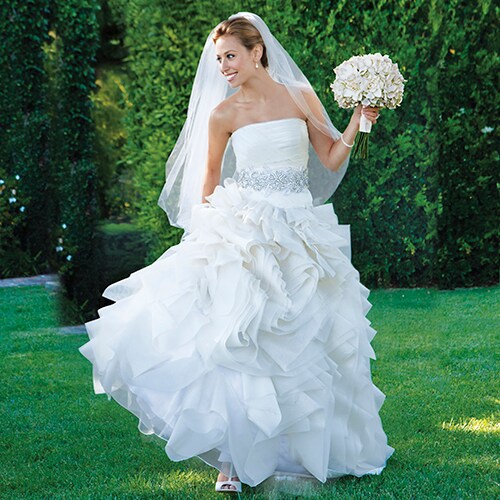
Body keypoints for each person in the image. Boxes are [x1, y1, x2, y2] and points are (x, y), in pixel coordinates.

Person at [79, 12, 394, 494]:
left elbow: (331, 158)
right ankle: (230, 459)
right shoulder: (223, 115)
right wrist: (206, 238)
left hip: (300, 232)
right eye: (219, 59)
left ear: (257, 52)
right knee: (239, 339)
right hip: (245, 230)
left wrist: (357, 122)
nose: (223, 66)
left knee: (307, 341)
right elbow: (207, 182)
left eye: (230, 56)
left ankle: (304, 449)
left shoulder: (299, 96)